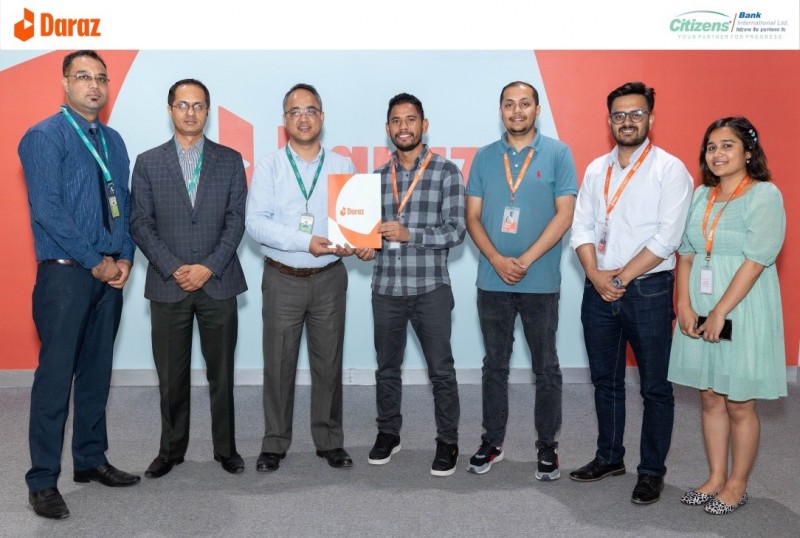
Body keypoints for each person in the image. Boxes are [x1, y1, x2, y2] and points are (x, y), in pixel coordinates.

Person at [18, 50, 140, 520]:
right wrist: (95, 262)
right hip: (67, 274)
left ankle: (90, 459)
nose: (94, 85)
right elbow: (47, 209)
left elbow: (123, 203)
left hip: (110, 275)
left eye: (101, 78)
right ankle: (42, 481)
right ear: (65, 83)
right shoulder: (44, 136)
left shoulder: (114, 140)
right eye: (83, 76)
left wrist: (124, 257)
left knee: (96, 373)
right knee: (55, 378)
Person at [568, 81, 693, 504]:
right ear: (609, 121)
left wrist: (618, 281)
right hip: (597, 288)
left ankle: (652, 471)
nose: (627, 121)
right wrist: (596, 275)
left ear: (650, 119)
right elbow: (581, 228)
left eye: (636, 114)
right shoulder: (595, 169)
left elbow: (667, 239)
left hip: (648, 291)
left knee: (655, 387)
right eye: (619, 115)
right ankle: (609, 457)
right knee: (606, 381)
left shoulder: (669, 170)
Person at [246, 83, 370, 472]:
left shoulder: (343, 165)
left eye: (311, 110)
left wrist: (361, 243)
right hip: (282, 278)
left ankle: (330, 440)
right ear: (285, 120)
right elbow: (255, 224)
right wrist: (305, 241)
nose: (303, 118)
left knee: (328, 363)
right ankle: (274, 442)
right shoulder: (269, 166)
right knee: (278, 363)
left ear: (322, 117)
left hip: (330, 277)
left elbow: (354, 224)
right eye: (295, 111)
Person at [130, 79, 248, 478]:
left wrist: (208, 266)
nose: (190, 112)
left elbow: (236, 220)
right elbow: (140, 222)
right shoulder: (148, 162)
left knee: (222, 374)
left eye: (198, 105)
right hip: (169, 283)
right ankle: (170, 451)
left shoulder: (229, 160)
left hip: (218, 281)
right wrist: (174, 267)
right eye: (182, 105)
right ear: (170, 110)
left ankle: (226, 449)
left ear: (207, 112)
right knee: (171, 376)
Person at [668, 117, 786, 515]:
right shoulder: (701, 195)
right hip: (700, 306)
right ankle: (716, 476)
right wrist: (684, 304)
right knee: (709, 396)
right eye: (711, 147)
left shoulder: (764, 195)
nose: (717, 154)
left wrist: (720, 310)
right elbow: (686, 253)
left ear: (748, 152)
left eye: (727, 145)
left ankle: (738, 484)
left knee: (738, 401)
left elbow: (756, 261)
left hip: (742, 307)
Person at [464, 81, 577, 479]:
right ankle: (492, 442)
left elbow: (565, 214)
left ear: (537, 109)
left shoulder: (558, 153)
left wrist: (525, 260)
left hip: (540, 282)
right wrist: (496, 259)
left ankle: (547, 446)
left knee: (546, 367)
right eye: (509, 104)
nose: (517, 111)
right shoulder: (484, 157)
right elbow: (472, 216)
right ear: (501, 111)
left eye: (524, 104)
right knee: (494, 366)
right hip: (492, 281)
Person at [367, 93, 466, 477]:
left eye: (410, 120)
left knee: (441, 370)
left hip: (430, 288)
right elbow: (368, 235)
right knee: (386, 369)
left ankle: (448, 440)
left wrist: (410, 234)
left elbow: (456, 231)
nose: (403, 127)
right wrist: (363, 247)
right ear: (387, 128)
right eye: (396, 121)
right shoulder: (376, 178)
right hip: (386, 288)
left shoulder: (446, 172)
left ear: (424, 125)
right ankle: (388, 433)